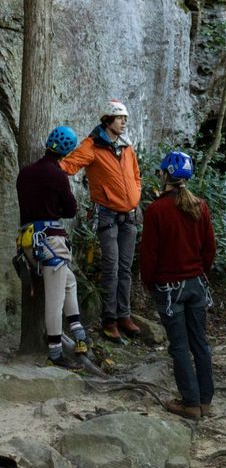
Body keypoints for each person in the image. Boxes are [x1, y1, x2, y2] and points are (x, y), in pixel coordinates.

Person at [140, 151, 216, 420]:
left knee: (180, 346)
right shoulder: (200, 206)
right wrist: (198, 272)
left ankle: (191, 403)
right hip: (195, 283)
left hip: (170, 288)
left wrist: (149, 282)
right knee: (200, 343)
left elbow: (149, 254)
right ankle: (205, 401)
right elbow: (209, 248)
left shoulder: (156, 210)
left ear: (164, 175)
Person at [60, 100, 142, 342]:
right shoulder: (92, 146)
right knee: (112, 267)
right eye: (120, 118)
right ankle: (109, 320)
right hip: (107, 215)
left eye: (125, 118)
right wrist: (47, 168)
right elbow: (68, 166)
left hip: (129, 216)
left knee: (125, 268)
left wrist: (135, 195)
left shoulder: (126, 146)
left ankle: (124, 315)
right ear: (107, 120)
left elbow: (136, 175)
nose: (124, 122)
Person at [16, 126, 90, 369]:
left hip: (30, 242)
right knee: (55, 299)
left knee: (69, 281)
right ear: (67, 151)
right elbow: (70, 209)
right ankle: (55, 351)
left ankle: (77, 330)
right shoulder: (58, 175)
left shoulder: (25, 173)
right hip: (51, 241)